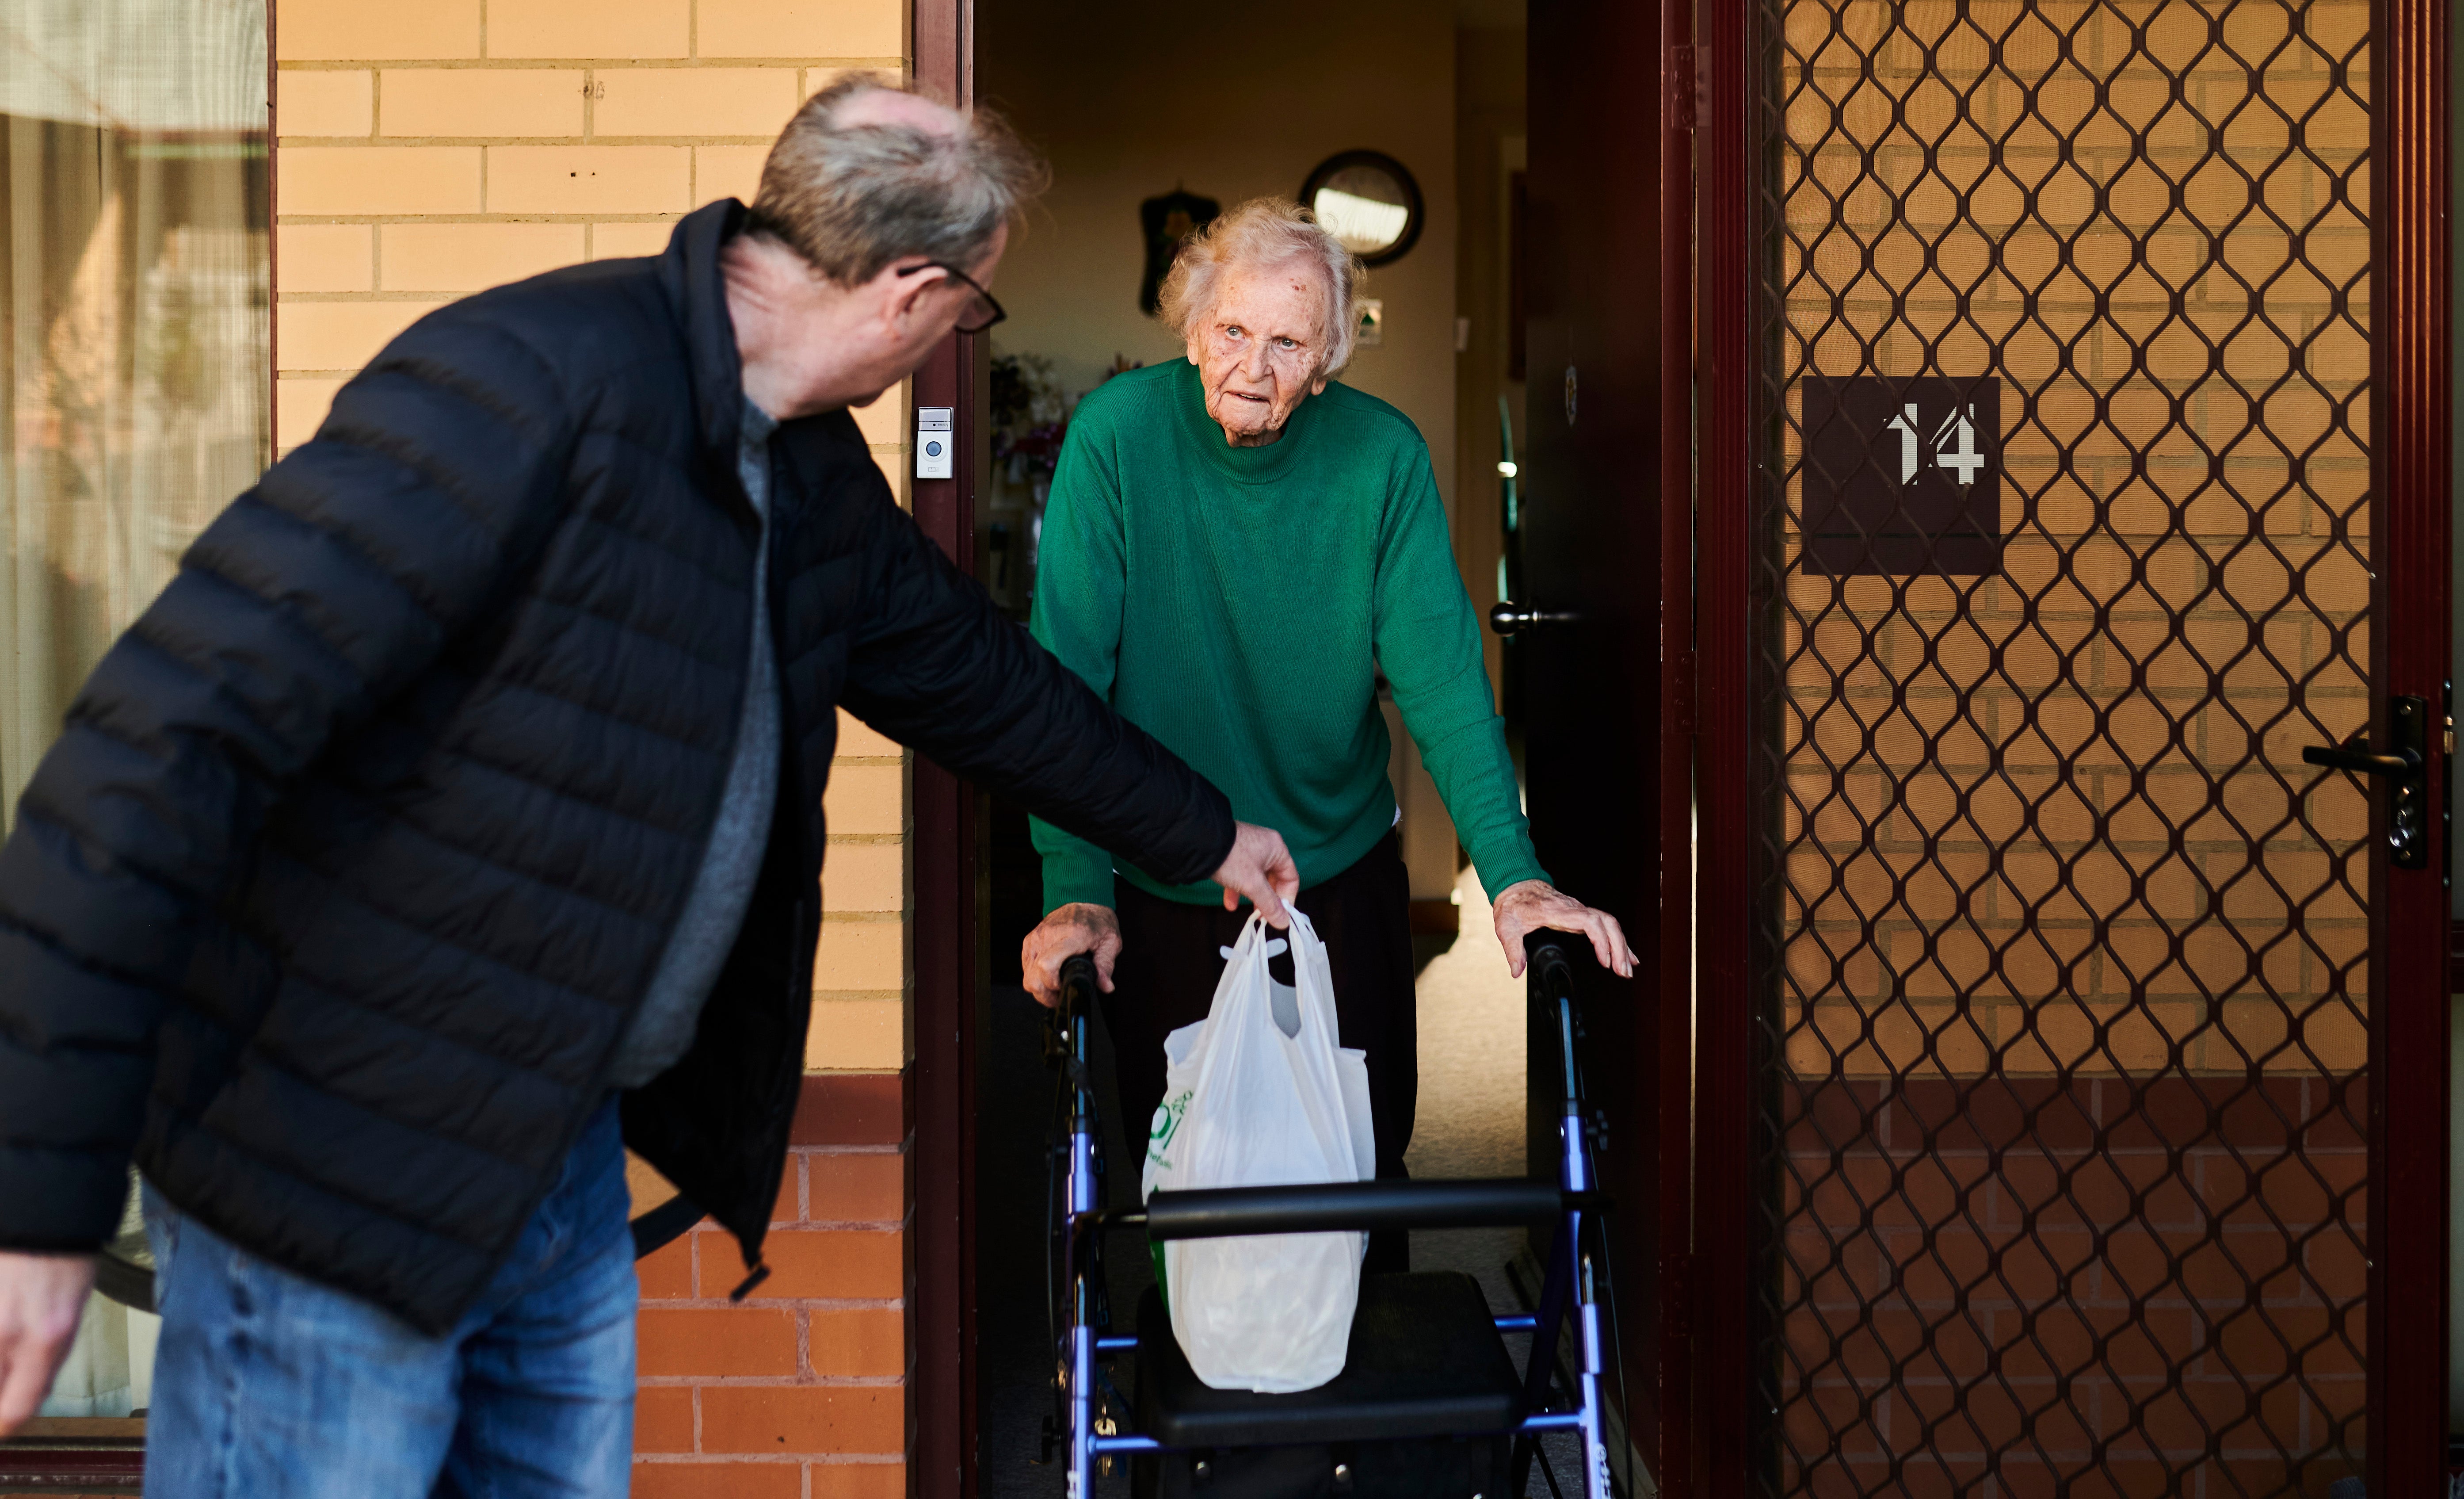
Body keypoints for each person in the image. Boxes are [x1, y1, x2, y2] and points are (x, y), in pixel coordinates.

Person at [0, 74, 1298, 1495]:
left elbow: (984, 687)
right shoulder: (527, 380)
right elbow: (152, 748)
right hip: (331, 1166)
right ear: (913, 293)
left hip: (552, 1157)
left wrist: (1205, 830)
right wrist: (41, 1190)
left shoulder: (810, 474)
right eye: (971, 307)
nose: (955, 337)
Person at [1018, 197, 1630, 1269]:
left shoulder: (1379, 460)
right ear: (1193, 326)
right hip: (1165, 877)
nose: (1254, 364)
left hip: (1335, 871)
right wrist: (1076, 885)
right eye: (1233, 331)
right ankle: (1199, 1423)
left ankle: (1363, 1423)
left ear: (1329, 357)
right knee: (1187, 1172)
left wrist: (1516, 874)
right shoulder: (1117, 440)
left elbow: (1443, 683)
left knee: (1360, 1156)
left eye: (1288, 341)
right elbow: (1067, 683)